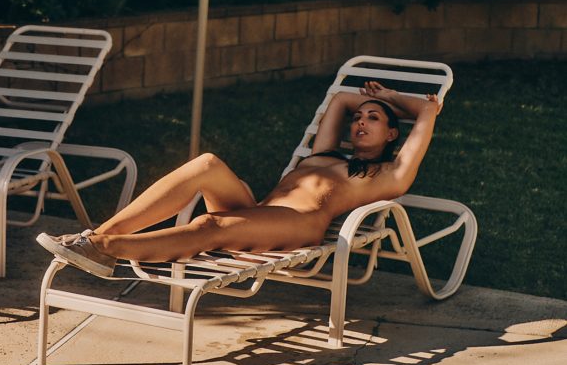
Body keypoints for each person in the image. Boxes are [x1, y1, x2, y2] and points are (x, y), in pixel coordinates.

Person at [37, 80, 441, 277]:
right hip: (261, 213)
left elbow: (427, 110)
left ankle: (107, 247)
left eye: (373, 118)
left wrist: (390, 97)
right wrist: (374, 101)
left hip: (300, 224)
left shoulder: (387, 174)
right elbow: (340, 99)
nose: (360, 121)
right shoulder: (325, 154)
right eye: (359, 118)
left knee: (209, 225)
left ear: (393, 134)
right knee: (207, 163)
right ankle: (95, 238)